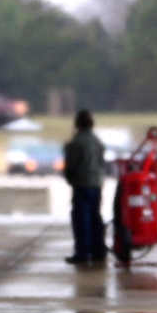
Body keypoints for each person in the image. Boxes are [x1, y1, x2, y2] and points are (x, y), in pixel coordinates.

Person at [64, 109, 107, 265]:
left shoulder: (77, 142)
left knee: (81, 219)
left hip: (82, 184)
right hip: (97, 184)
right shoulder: (97, 141)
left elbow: (71, 166)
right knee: (95, 217)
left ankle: (82, 253)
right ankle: (98, 251)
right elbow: (102, 163)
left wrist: (70, 179)